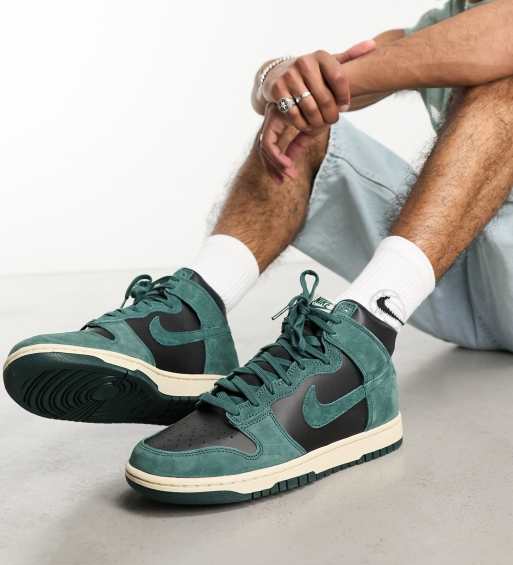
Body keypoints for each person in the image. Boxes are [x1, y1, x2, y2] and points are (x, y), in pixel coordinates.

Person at [4, 0, 513, 504]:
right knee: (306, 126)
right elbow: (327, 78)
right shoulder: (453, 17)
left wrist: (318, 87)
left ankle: (359, 352)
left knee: (504, 83)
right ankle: (191, 321)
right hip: (465, 272)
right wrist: (280, 80)